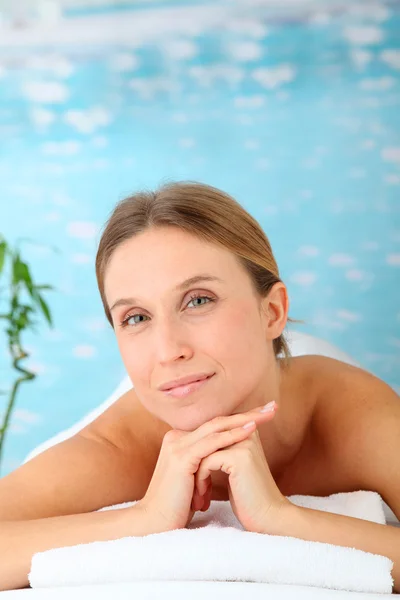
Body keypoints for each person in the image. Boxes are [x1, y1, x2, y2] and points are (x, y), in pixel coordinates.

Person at [0, 181, 399, 592]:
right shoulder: (117, 447)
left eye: (198, 300)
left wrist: (281, 516)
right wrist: (144, 517)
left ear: (273, 311)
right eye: (136, 318)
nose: (168, 350)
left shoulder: (350, 413)